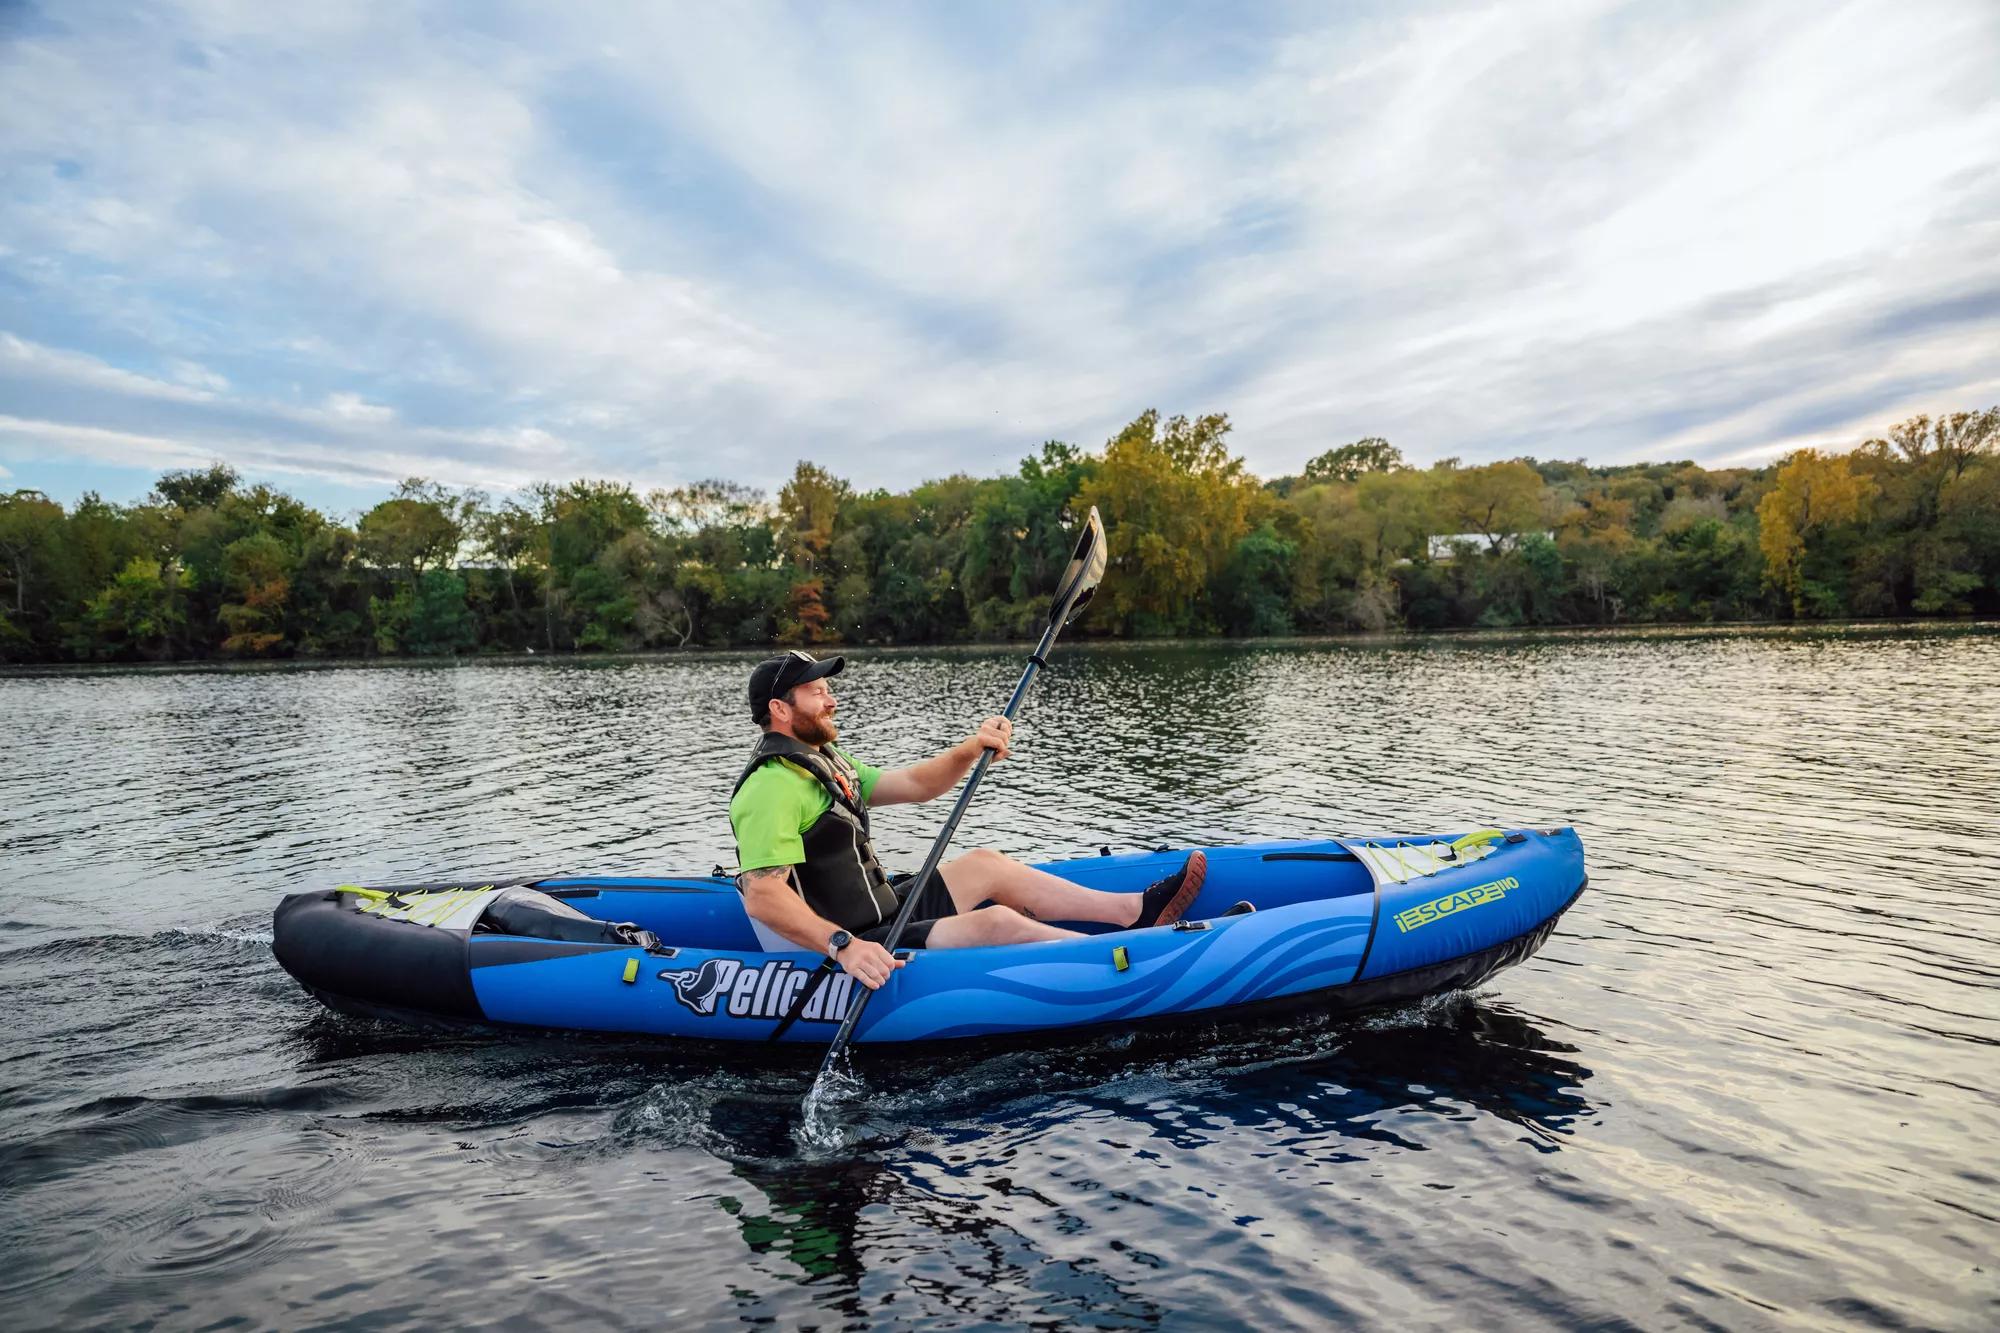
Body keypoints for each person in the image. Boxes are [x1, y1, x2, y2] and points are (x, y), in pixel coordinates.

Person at [729, 650, 1207, 991]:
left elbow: (917, 786)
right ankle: (1129, 965)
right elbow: (763, 896)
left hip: (884, 909)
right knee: (997, 922)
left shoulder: (824, 762)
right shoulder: (771, 786)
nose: (831, 700)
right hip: (855, 940)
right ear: (780, 709)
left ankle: (1134, 913)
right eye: (817, 692)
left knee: (985, 864)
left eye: (828, 689)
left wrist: (970, 749)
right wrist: (843, 946)